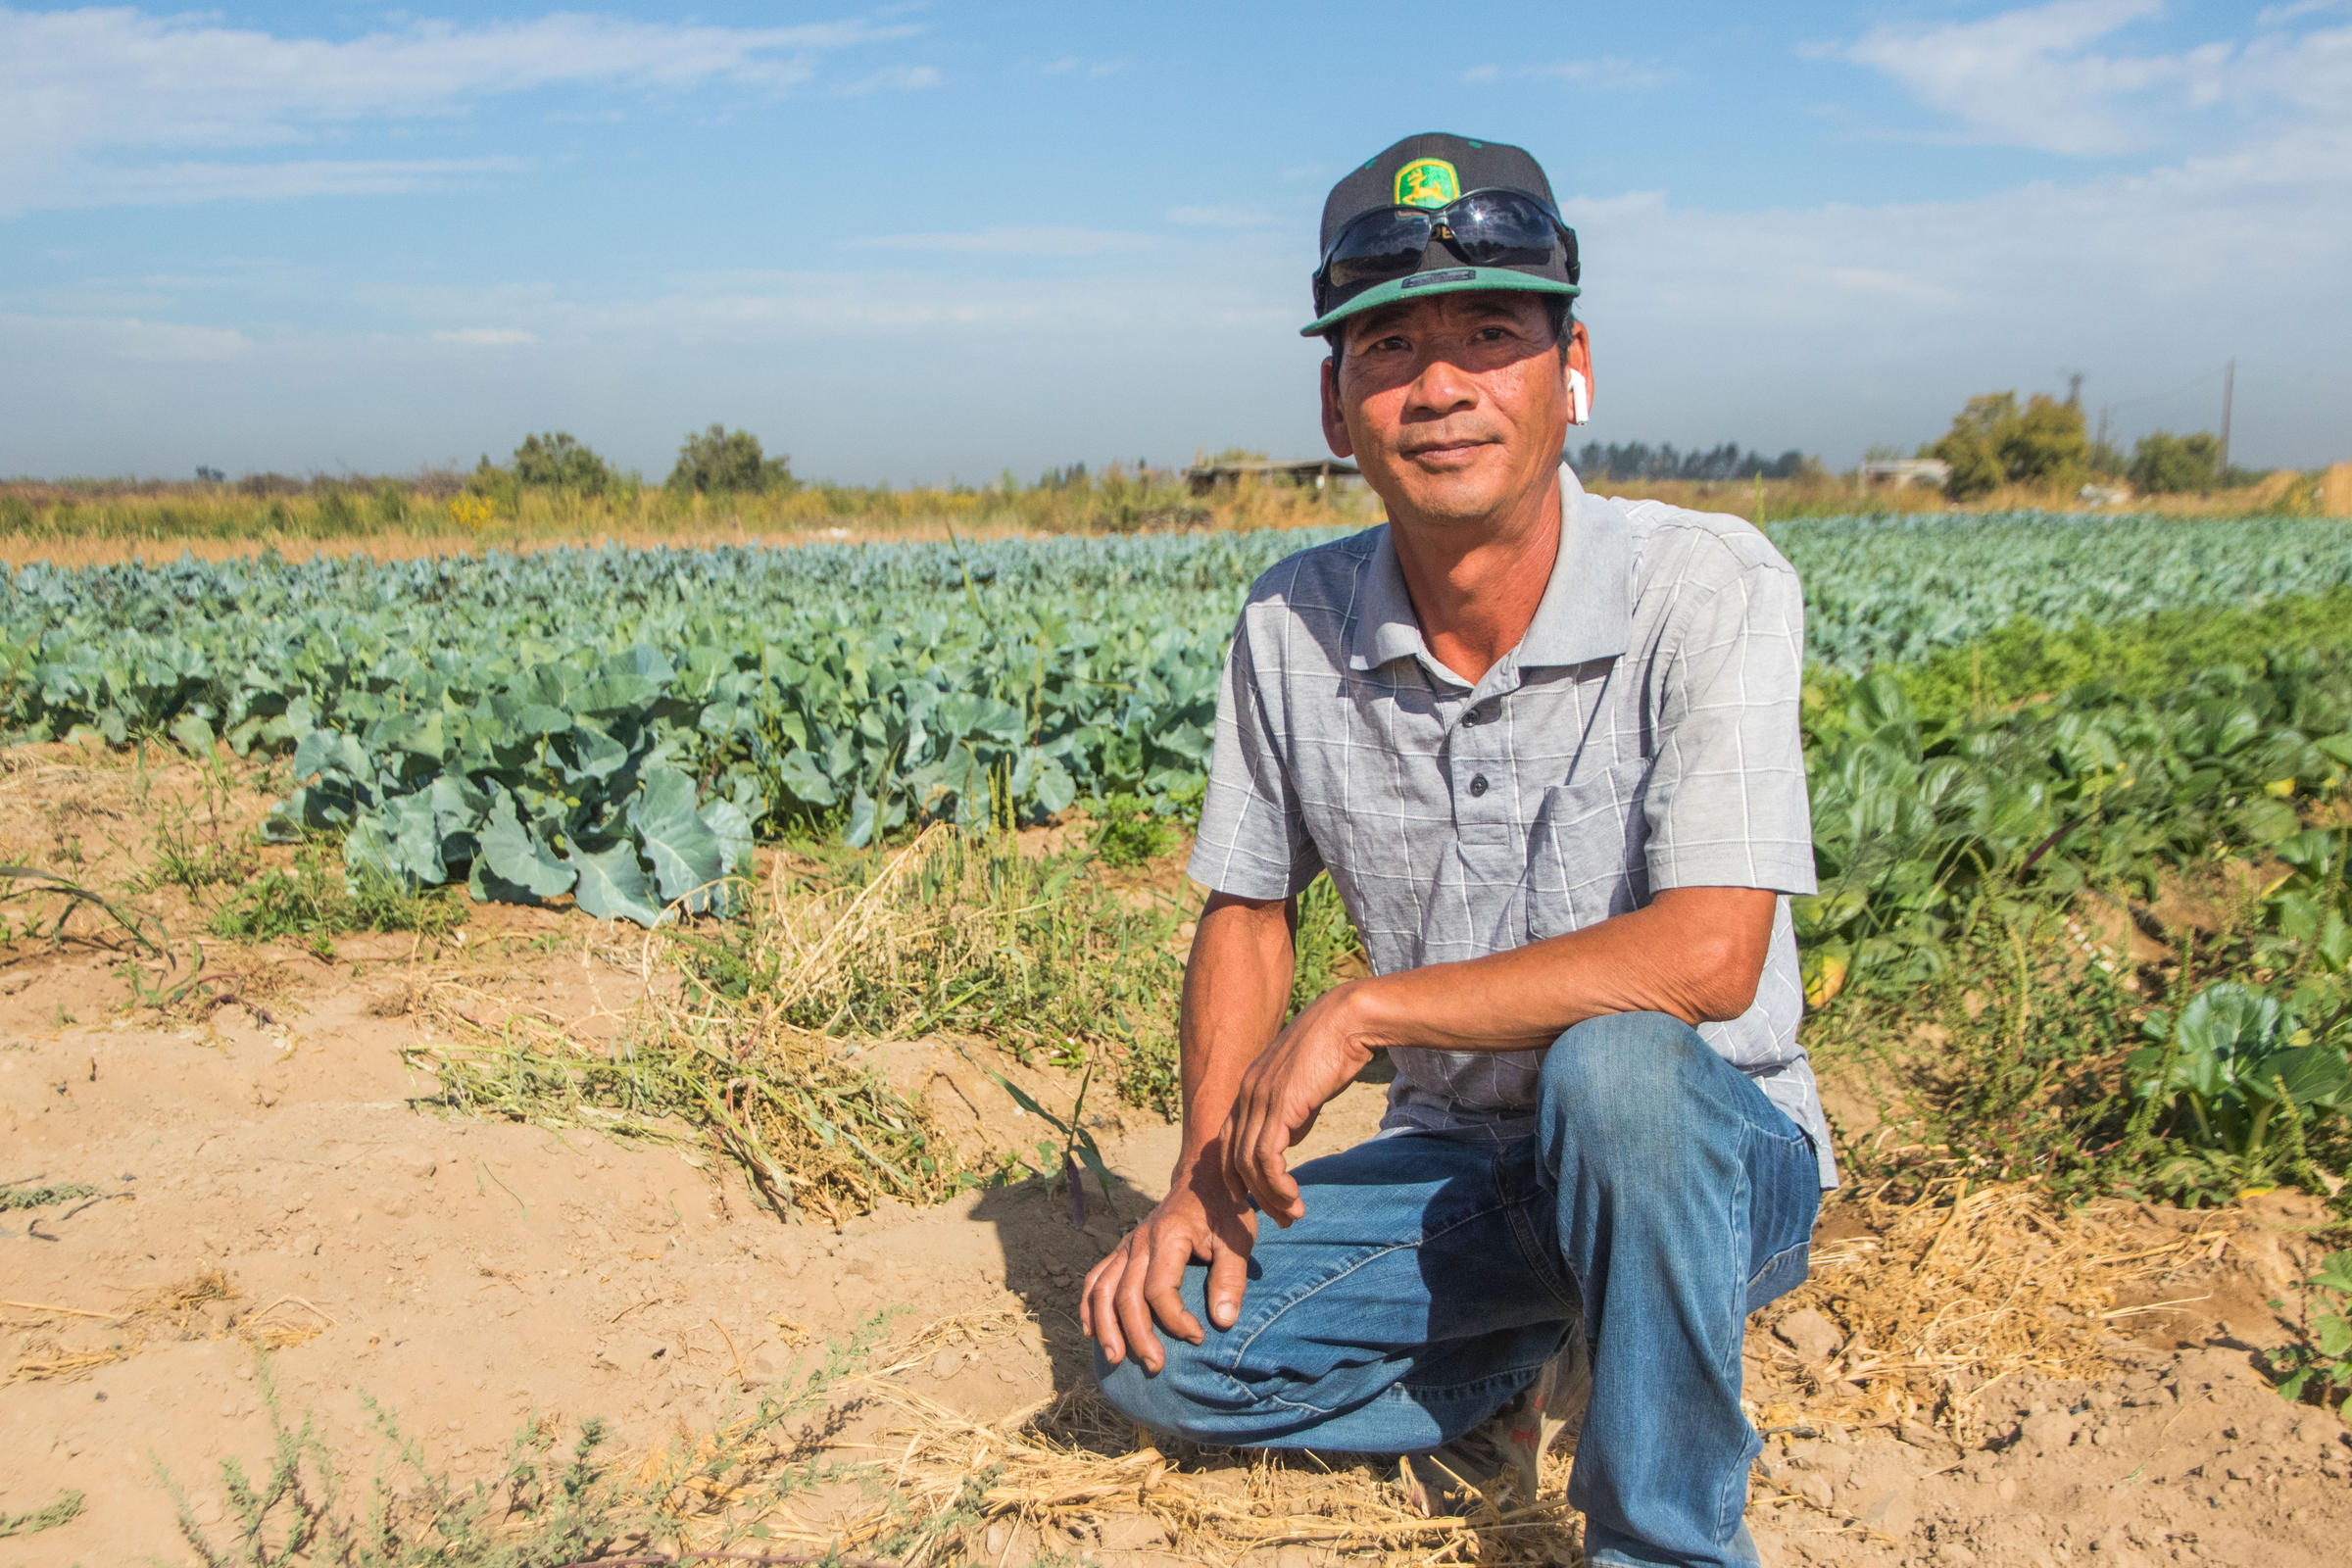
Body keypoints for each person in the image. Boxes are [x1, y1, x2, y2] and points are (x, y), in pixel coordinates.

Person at [1079, 132, 1833, 1568]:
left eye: (1491, 335)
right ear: (1335, 399)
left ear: (1571, 369)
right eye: (1388, 345)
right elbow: (1246, 910)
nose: (1439, 387)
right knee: (1158, 1358)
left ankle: (1661, 1539)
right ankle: (1533, 1351)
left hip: (1708, 1153)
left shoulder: (1706, 583)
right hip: (1462, 1168)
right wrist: (1198, 1186)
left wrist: (1365, 1012)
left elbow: (1711, 954)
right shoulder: (1290, 622)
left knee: (1616, 1069)